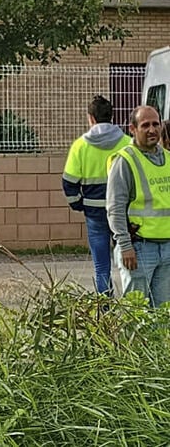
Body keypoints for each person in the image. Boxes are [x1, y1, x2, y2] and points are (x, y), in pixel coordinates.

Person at [62, 95, 131, 295]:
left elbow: (69, 182)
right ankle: (133, 305)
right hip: (123, 212)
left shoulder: (80, 146)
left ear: (90, 117)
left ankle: (106, 311)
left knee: (102, 267)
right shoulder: (127, 143)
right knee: (127, 261)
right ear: (111, 116)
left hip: (94, 212)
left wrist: (77, 204)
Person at [106, 105, 170, 307]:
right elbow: (115, 208)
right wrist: (125, 246)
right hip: (139, 249)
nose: (152, 130)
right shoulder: (125, 161)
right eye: (145, 125)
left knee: (162, 315)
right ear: (132, 129)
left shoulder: (168, 159)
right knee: (136, 314)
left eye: (155, 124)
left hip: (166, 247)